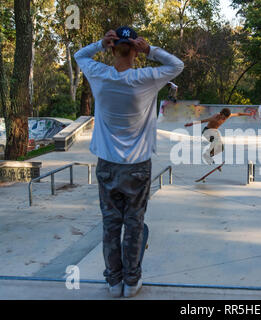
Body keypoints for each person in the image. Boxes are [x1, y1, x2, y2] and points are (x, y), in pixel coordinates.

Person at [74, 26, 184, 298]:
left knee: (111, 224)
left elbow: (79, 56)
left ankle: (114, 281)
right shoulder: (147, 78)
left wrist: (99, 44)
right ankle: (132, 281)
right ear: (136, 50)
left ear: (112, 48)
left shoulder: (99, 75)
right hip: (138, 166)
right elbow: (177, 65)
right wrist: (151, 50)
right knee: (134, 223)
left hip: (107, 165)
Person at [184, 108, 251, 164]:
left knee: (221, 148)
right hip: (207, 131)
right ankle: (207, 154)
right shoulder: (215, 117)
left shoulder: (228, 115)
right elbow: (203, 121)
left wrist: (248, 114)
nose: (224, 119)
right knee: (216, 142)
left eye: (226, 118)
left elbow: (238, 114)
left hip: (214, 132)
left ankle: (207, 155)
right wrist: (191, 124)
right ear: (221, 114)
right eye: (224, 117)